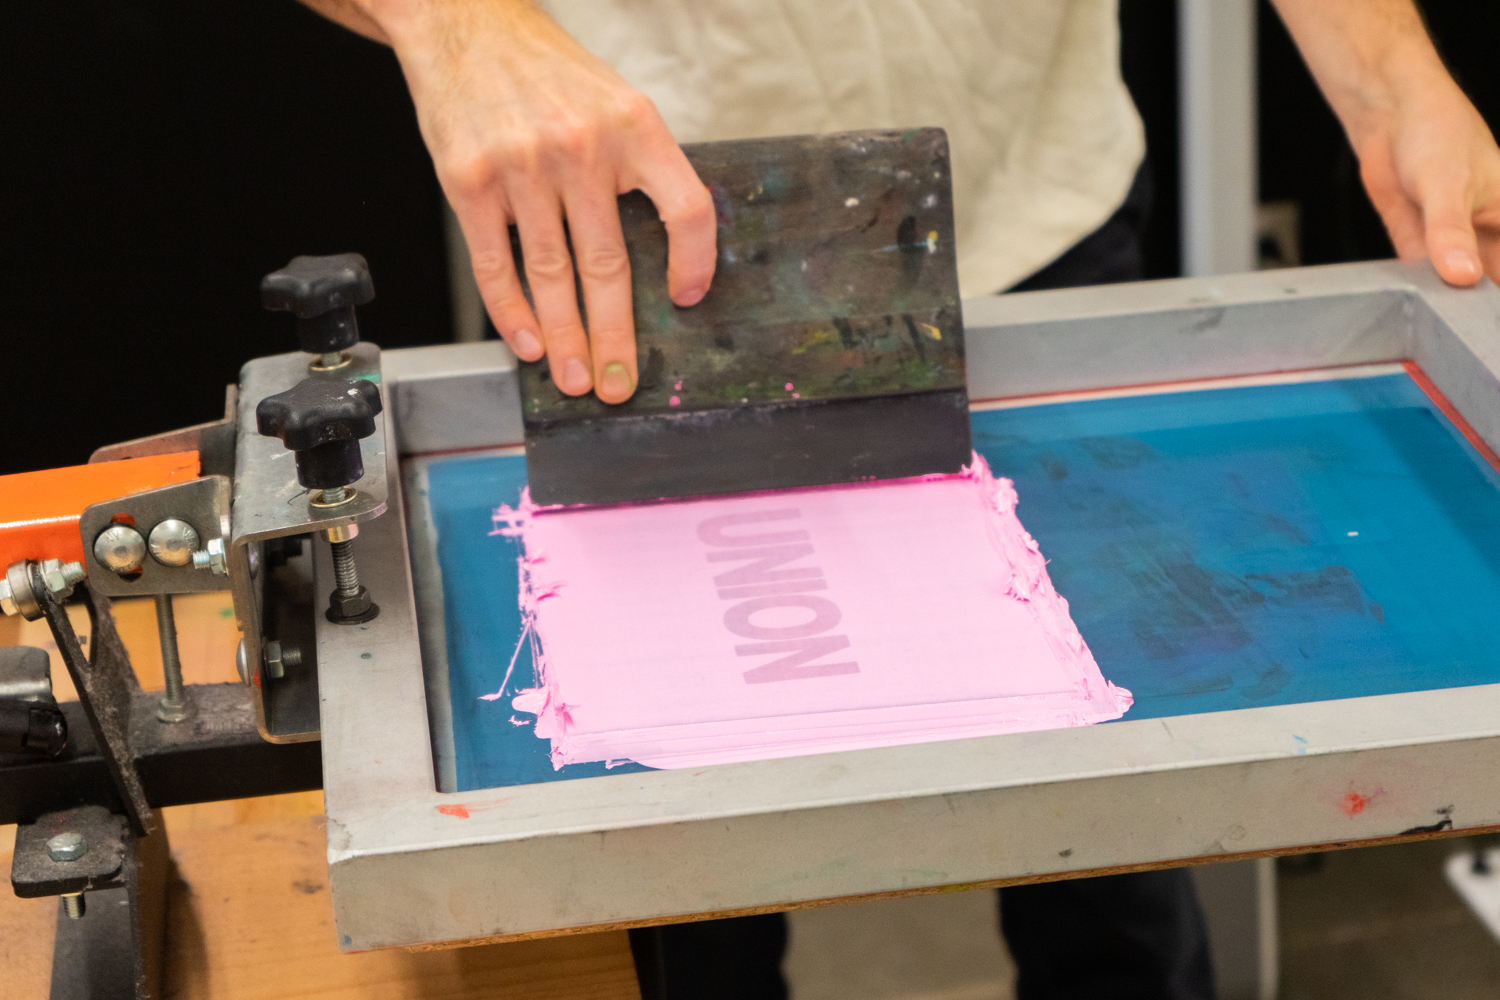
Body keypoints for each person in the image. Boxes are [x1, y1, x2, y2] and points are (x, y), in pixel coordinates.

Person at [292, 2, 1500, 997]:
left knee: (1116, 857)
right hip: (637, 259)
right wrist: (456, 26)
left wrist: (1392, 81)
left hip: (1033, 219)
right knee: (673, 907)